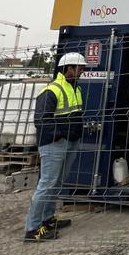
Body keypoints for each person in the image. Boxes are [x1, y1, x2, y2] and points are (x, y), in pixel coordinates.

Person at [23, 52, 86, 242]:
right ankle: (33, 229)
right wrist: (58, 135)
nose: (82, 71)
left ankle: (47, 219)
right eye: (79, 68)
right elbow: (41, 120)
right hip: (54, 144)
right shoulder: (51, 91)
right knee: (47, 184)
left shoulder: (76, 89)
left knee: (57, 183)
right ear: (68, 68)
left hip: (70, 141)